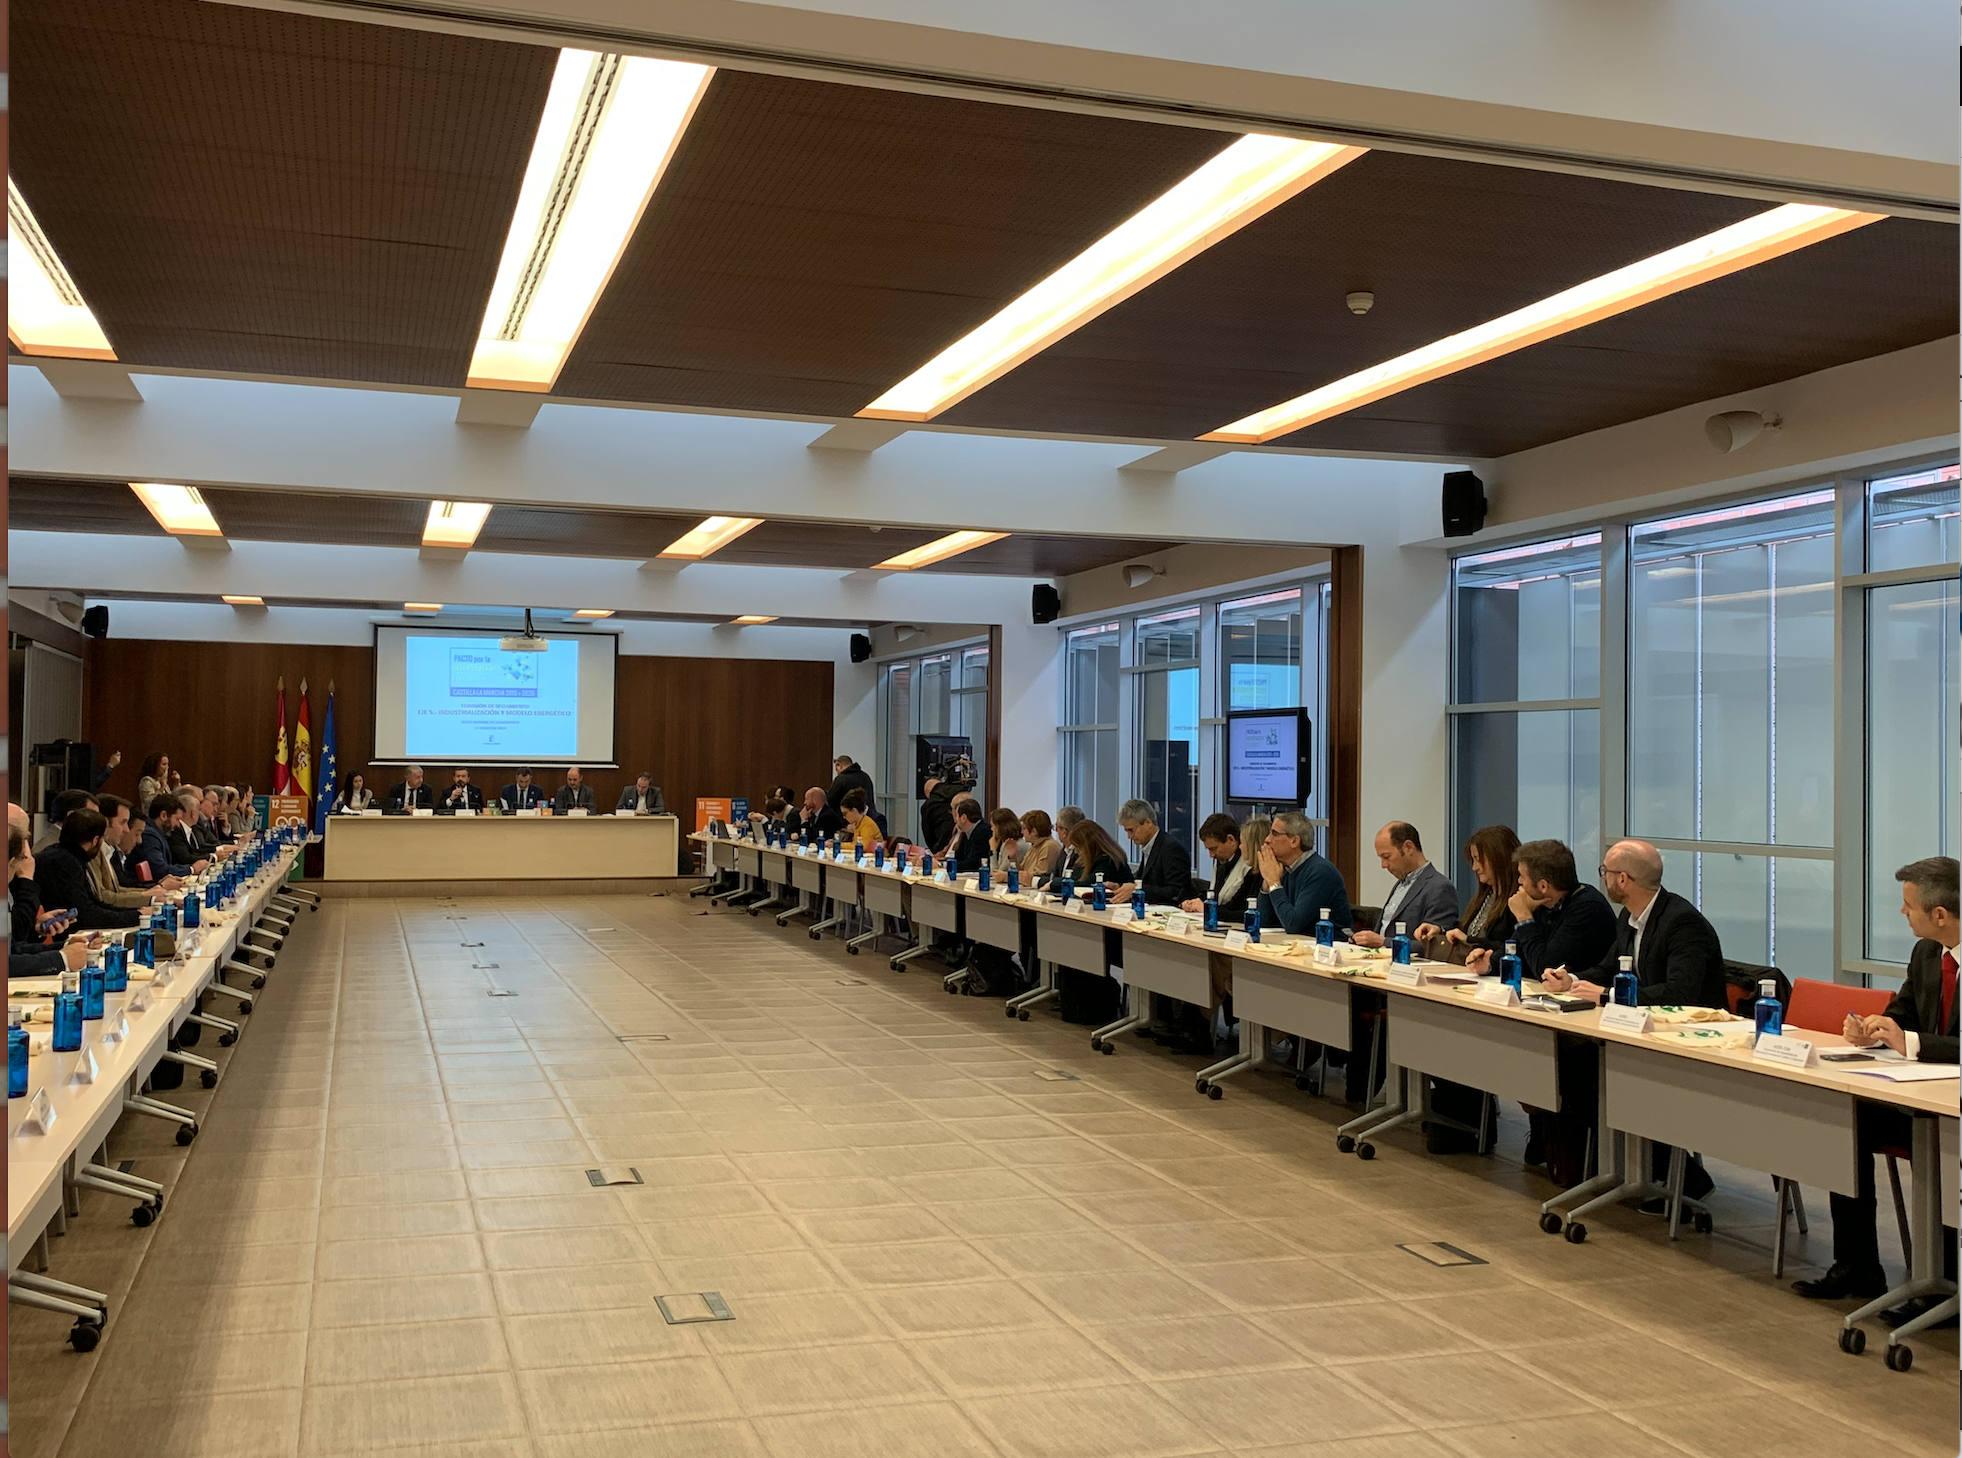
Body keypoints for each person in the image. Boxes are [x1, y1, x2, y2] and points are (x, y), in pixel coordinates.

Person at [1795, 857, 1960, 1311]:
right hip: (1921, 1096)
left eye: (1909, 905)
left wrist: (1911, 1041)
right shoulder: (1927, 952)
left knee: (1941, 1149)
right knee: (1845, 1122)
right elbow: (1904, 1015)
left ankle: (1942, 1283)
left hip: (1953, 1113)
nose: (1902, 912)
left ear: (1939, 914)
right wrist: (1874, 1029)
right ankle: (1857, 1264)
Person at [1469, 839, 1616, 978]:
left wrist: (1524, 918)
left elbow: (1546, 969)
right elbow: (1514, 951)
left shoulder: (1588, 909)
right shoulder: (1542, 903)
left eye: (1522, 876)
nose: (1519, 881)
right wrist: (1489, 965)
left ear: (1543, 886)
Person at [1415, 825, 1521, 963]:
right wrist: (1439, 930)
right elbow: (1468, 931)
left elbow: (1513, 948)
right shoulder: (1484, 897)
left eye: (1478, 859)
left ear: (1499, 858)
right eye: (1473, 860)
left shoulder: (1519, 902)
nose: (1474, 867)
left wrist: (1468, 940)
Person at [1351, 822, 1461, 949]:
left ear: (1408, 848)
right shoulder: (1400, 884)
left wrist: (1383, 942)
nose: (1383, 865)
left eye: (1387, 857)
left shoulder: (1440, 888)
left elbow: (1435, 946)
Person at [35, 809, 141, 931]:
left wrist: (137, 912)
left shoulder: (68, 855)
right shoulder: (65, 862)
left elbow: (94, 902)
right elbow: (86, 915)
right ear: (95, 840)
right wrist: (137, 916)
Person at [1256, 811, 1353, 936]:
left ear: (1294, 841)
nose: (1267, 840)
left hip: (1331, 943)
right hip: (1300, 942)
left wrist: (1274, 883)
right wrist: (1267, 883)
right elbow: (1264, 922)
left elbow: (1293, 924)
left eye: (1274, 834)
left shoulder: (1320, 872)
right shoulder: (1284, 869)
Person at [90, 797, 165, 913]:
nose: (126, 830)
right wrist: (150, 898)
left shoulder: (107, 851)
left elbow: (116, 890)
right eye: (123, 822)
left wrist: (149, 894)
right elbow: (103, 896)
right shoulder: (93, 854)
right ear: (105, 823)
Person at [1115, 799, 1194, 906]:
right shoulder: (1151, 845)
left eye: (1131, 830)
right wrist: (1119, 886)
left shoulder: (1171, 848)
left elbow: (1177, 892)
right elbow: (1143, 881)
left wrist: (1137, 890)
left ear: (1148, 823)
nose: (1129, 836)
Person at [1180, 814, 1259, 914]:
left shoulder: (1250, 865)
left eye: (1214, 848)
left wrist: (1208, 909)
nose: (1211, 855)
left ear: (1230, 840)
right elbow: (1216, 896)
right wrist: (1194, 903)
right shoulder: (1221, 861)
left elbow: (1237, 907)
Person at [130, 795, 205, 883]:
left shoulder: (157, 833)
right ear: (164, 816)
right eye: (177, 819)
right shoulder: (149, 836)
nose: (178, 825)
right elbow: (160, 870)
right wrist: (191, 869)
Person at [1064, 818, 1130, 888]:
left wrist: (1058, 883)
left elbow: (1087, 884)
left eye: (1079, 848)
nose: (1076, 852)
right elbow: (1073, 878)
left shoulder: (1109, 862)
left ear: (1090, 847)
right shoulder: (1085, 861)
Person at [944, 797, 990, 872]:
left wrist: (943, 865)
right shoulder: (966, 833)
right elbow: (958, 858)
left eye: (956, 816)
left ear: (963, 818)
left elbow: (973, 864)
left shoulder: (982, 832)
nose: (955, 820)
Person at [918, 777, 959, 857]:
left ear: (928, 792)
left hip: (941, 838)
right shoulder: (957, 792)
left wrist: (935, 850)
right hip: (959, 835)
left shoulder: (928, 805)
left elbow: (928, 833)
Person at [1018, 810, 1061, 885]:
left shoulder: (1049, 846)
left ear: (1034, 831)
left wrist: (1005, 877)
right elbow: (1022, 870)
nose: (1022, 832)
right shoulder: (1034, 845)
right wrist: (1013, 857)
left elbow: (1037, 876)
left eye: (1024, 828)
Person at [1053, 806, 1087, 882]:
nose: (1056, 830)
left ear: (1064, 833)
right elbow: (1054, 877)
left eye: (1057, 827)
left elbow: (1074, 879)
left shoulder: (1082, 852)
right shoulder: (1064, 851)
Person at [986, 808, 1024, 873]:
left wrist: (993, 850)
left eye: (993, 826)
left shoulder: (1017, 846)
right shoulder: (1005, 844)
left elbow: (996, 872)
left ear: (1000, 827)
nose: (991, 829)